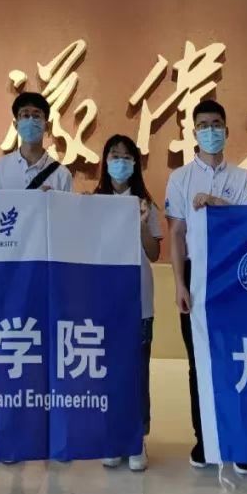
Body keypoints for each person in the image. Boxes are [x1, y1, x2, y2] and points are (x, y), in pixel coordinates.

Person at [165, 100, 247, 475]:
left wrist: (217, 203)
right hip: (196, 275)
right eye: (203, 125)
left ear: (227, 130)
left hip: (235, 277)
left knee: (239, 359)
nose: (210, 131)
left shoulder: (242, 178)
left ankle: (241, 441)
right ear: (194, 132)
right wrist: (178, 283)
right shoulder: (180, 178)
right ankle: (205, 439)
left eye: (216, 124)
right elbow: (176, 233)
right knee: (199, 362)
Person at [96, 136, 162, 472]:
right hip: (104, 298)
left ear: (135, 163)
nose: (120, 162)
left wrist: (142, 224)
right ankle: (113, 436)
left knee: (137, 370)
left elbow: (154, 252)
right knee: (108, 370)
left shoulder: (145, 203)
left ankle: (136, 438)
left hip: (138, 295)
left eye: (126, 157)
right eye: (114, 156)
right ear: (105, 161)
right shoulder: (93, 202)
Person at [0, 92, 73, 192]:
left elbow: (68, 203)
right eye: (25, 115)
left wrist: (52, 199)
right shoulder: (0, 168)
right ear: (16, 125)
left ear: (47, 126)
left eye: (36, 116)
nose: (30, 120)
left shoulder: (62, 175)